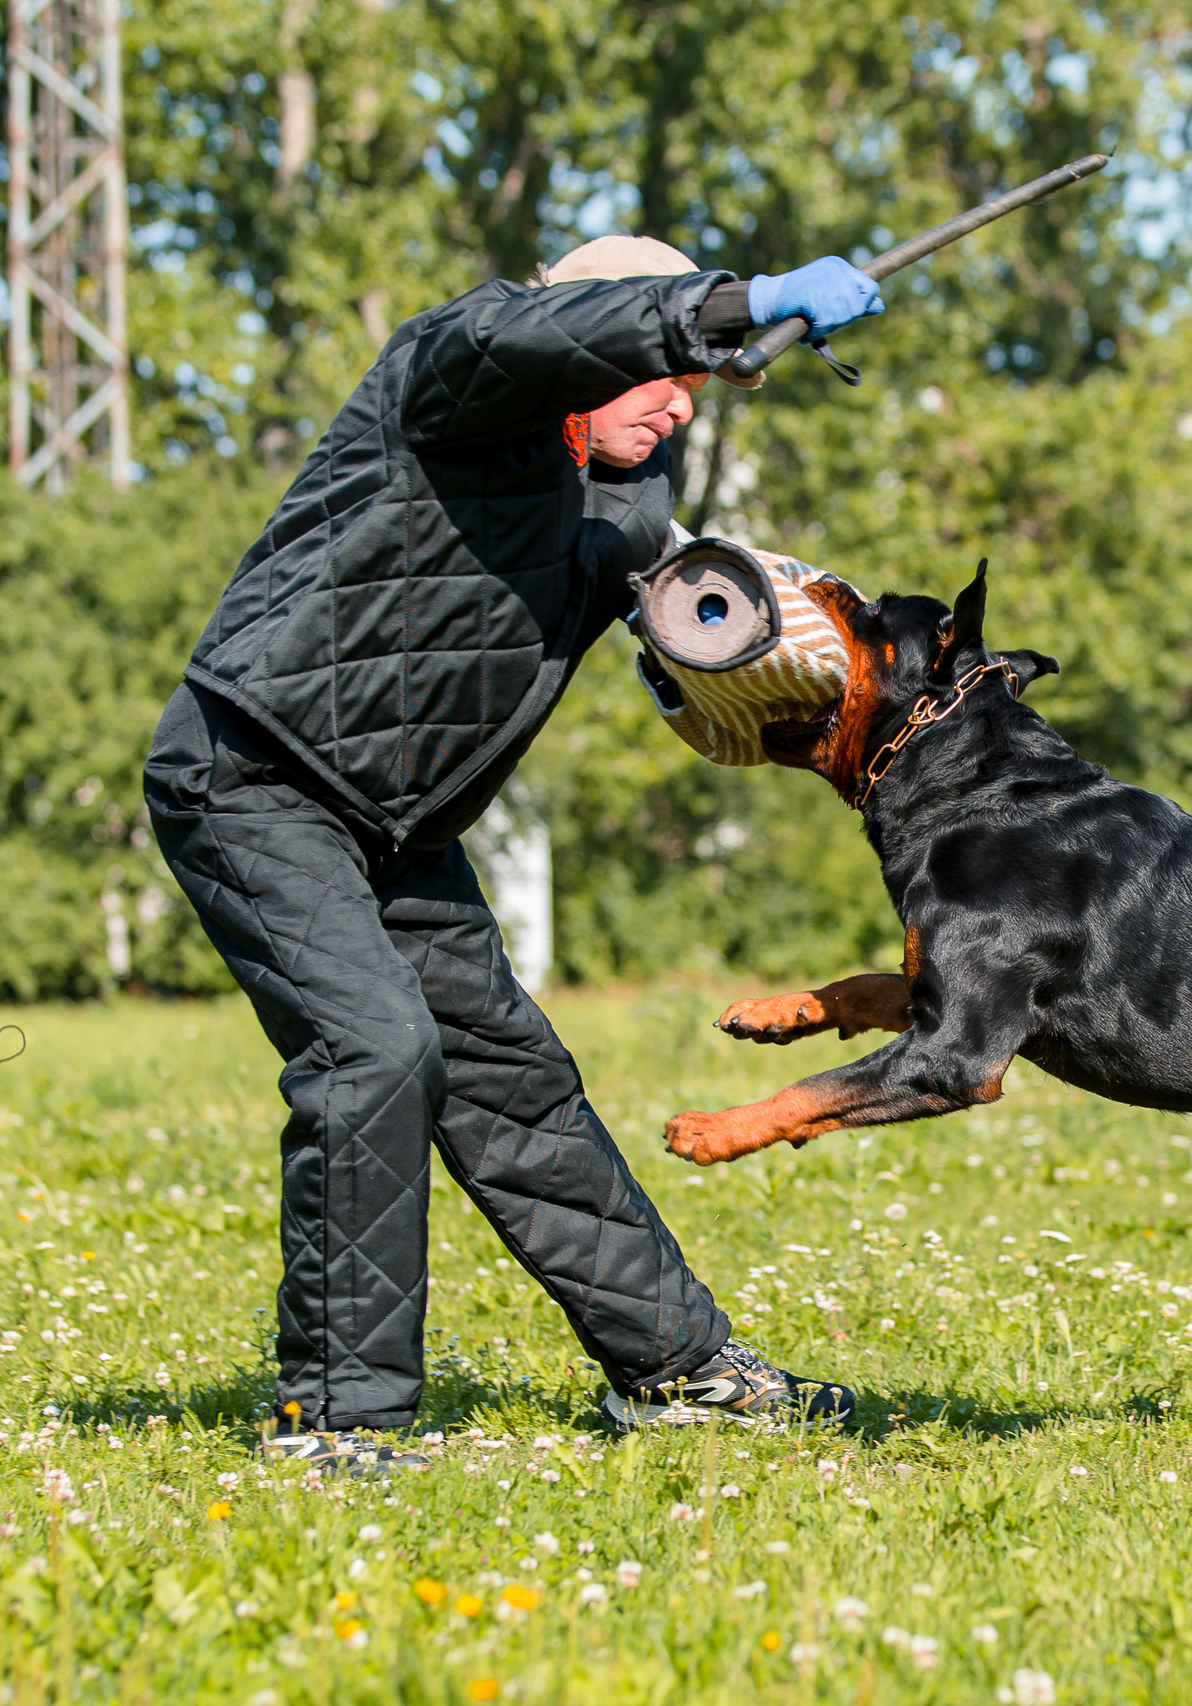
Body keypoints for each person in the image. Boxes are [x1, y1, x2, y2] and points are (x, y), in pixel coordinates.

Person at [143, 236, 884, 1468]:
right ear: (595, 338)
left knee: (512, 1080)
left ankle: (675, 1369)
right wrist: (734, 303)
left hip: (400, 822)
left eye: (695, 381)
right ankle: (334, 1422)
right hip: (251, 773)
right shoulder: (451, 378)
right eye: (655, 367)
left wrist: (747, 630)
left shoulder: (628, 493)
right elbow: (531, 338)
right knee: (374, 1047)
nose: (680, 396)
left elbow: (684, 606)